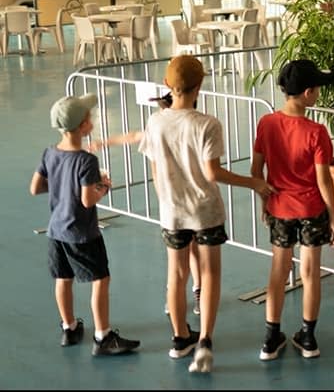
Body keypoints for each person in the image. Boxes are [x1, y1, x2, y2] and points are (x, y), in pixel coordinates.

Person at [138, 55, 275, 373]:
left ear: (168, 85)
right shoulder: (207, 124)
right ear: (200, 86)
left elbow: (156, 169)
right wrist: (254, 182)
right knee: (210, 274)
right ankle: (205, 342)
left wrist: (166, 201)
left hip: (172, 212)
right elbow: (213, 173)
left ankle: (179, 337)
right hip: (206, 212)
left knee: (176, 274)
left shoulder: (156, 122)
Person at [30, 94, 141, 356]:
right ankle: (102, 336)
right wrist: (103, 186)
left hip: (56, 230)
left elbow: (35, 188)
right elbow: (88, 200)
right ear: (83, 126)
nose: (93, 119)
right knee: (101, 279)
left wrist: (60, 186)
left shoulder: (49, 153)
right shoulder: (87, 160)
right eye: (89, 117)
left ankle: (69, 328)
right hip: (82, 233)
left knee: (63, 278)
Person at [251, 59, 334, 361]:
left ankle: (270, 337)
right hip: (311, 208)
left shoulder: (266, 123)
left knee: (278, 271)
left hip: (280, 207)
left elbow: (256, 170)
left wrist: (265, 200)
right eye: (316, 89)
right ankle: (308, 336)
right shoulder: (317, 132)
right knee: (311, 272)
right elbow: (324, 180)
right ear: (308, 92)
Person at [87, 92, 204, 317]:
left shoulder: (189, 129)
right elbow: (133, 136)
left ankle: (196, 291)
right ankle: (177, 294)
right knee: (180, 253)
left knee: (189, 252)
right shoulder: (160, 129)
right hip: (171, 202)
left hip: (187, 200)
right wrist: (105, 142)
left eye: (163, 110)